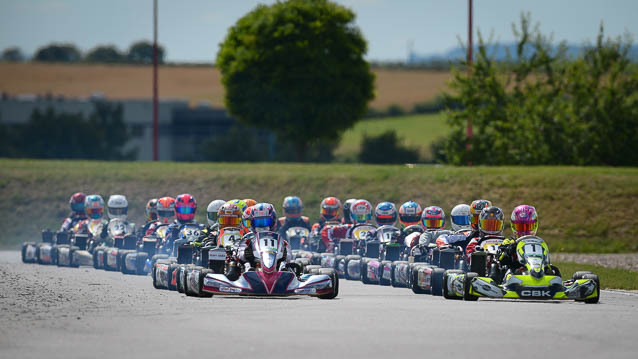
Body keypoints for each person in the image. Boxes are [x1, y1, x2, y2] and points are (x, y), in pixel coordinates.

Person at [241, 203, 291, 269]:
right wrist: (245, 254)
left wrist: (284, 255)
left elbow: (289, 256)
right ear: (252, 223)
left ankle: (283, 270)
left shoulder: (279, 240)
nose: (262, 226)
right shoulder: (248, 239)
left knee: (286, 265)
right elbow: (240, 253)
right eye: (258, 222)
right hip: (253, 269)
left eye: (266, 222)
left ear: (273, 221)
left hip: (276, 270)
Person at [497, 205, 540, 273]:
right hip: (514, 272)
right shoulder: (509, 241)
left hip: (535, 269)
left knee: (553, 269)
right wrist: (510, 248)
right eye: (520, 228)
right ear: (513, 226)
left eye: (528, 227)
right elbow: (500, 258)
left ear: (534, 225)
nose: (524, 232)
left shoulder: (538, 243)